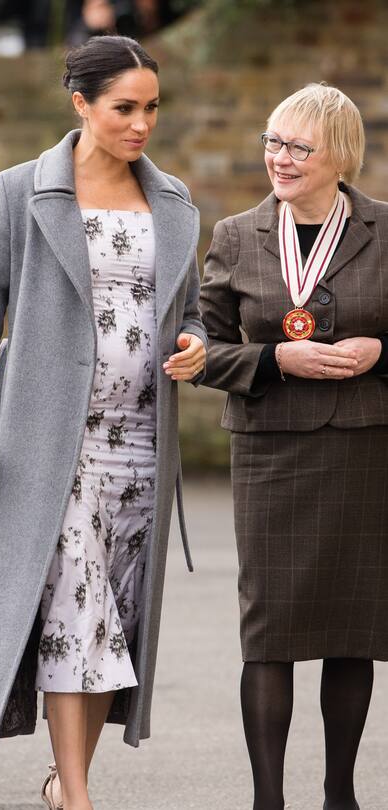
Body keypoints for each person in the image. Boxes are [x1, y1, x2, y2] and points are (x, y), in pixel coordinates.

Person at [0, 35, 206, 810]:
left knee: (108, 622)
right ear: (80, 103)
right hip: (53, 448)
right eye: (124, 108)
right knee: (76, 613)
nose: (142, 124)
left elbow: (192, 312)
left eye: (152, 108)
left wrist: (195, 345)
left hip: (142, 443)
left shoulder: (173, 200)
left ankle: (64, 782)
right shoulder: (20, 192)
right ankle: (77, 796)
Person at [200, 83, 388, 810]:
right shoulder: (235, 235)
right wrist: (276, 359)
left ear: (340, 155)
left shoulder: (384, 228)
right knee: (269, 631)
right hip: (270, 454)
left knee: (352, 627)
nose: (279, 158)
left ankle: (341, 795)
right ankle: (268, 801)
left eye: (298, 147)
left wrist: (381, 350)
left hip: (363, 451)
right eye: (273, 142)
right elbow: (200, 350)